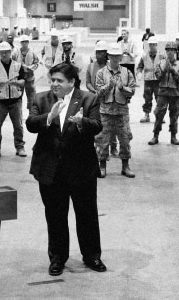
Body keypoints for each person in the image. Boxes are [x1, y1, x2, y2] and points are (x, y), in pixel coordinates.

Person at [26, 63, 106, 277]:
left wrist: (82, 122)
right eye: (52, 80)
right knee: (55, 216)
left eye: (59, 80)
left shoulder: (89, 99)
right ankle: (57, 258)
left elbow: (97, 125)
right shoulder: (41, 99)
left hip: (81, 169)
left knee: (87, 215)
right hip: (51, 171)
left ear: (72, 82)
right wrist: (49, 117)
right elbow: (31, 124)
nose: (54, 84)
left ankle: (92, 256)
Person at [95, 46, 136, 178]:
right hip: (105, 112)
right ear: (109, 57)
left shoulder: (127, 73)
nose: (114, 59)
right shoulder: (101, 73)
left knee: (124, 140)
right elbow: (98, 92)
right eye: (112, 56)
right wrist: (109, 86)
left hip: (121, 112)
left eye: (117, 56)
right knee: (103, 140)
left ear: (120, 58)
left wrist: (121, 88)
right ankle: (102, 166)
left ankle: (125, 166)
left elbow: (132, 90)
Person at [0, 41, 27, 158]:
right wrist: (3, 82)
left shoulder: (18, 65)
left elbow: (23, 81)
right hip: (0, 101)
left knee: (18, 125)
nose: (4, 55)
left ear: (10, 52)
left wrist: (15, 82)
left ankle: (20, 147)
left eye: (6, 52)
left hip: (15, 101)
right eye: (2, 53)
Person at [149, 41, 179, 146]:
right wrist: (165, 70)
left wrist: (173, 71)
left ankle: (173, 136)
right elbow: (158, 77)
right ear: (166, 51)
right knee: (159, 114)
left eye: (172, 50)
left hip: (174, 93)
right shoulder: (161, 63)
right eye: (168, 50)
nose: (170, 52)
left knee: (174, 115)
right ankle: (155, 135)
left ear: (175, 52)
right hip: (163, 92)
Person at [137, 37, 163, 124]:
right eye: (150, 45)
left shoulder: (161, 56)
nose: (152, 46)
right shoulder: (144, 56)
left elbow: (166, 66)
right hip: (148, 81)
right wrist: (139, 73)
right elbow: (140, 66)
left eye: (153, 45)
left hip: (158, 81)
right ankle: (146, 115)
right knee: (147, 98)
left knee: (159, 98)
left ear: (156, 45)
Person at [13, 34, 40, 110]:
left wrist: (32, 67)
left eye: (25, 42)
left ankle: (31, 115)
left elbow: (36, 62)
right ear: (20, 43)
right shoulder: (16, 52)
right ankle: (18, 113)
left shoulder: (32, 52)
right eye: (22, 42)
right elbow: (12, 62)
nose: (24, 43)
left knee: (31, 97)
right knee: (17, 97)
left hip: (29, 78)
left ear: (28, 42)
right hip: (19, 78)